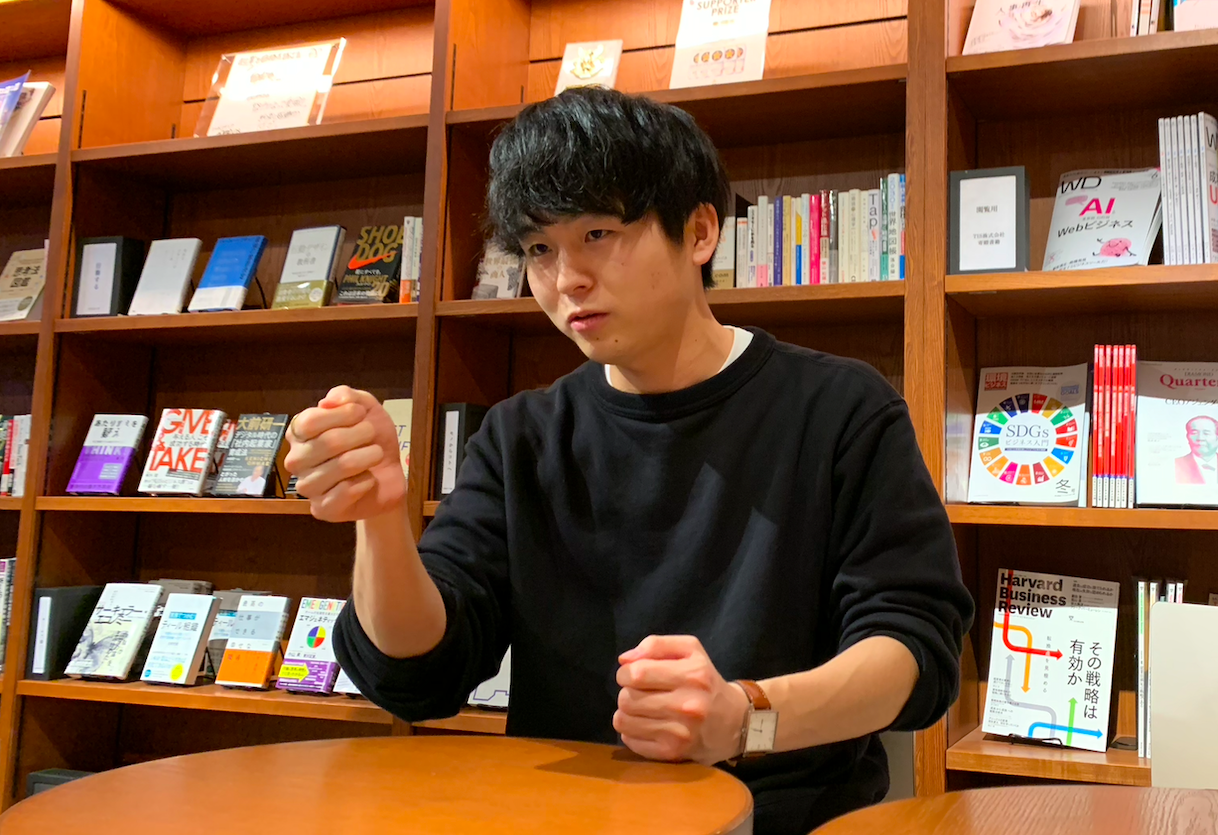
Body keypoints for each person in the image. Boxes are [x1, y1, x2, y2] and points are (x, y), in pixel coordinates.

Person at [284, 87, 974, 835]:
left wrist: (746, 716)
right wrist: (380, 519)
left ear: (700, 231)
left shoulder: (840, 409)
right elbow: (420, 670)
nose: (566, 279)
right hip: (565, 818)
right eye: (540, 249)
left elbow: (915, 647)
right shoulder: (522, 436)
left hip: (785, 817)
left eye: (598, 234)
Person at [1175, 415, 1218, 485]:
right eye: (1194, 433)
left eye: (1206, 433)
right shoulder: (1176, 465)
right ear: (1187, 437)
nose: (1200, 438)